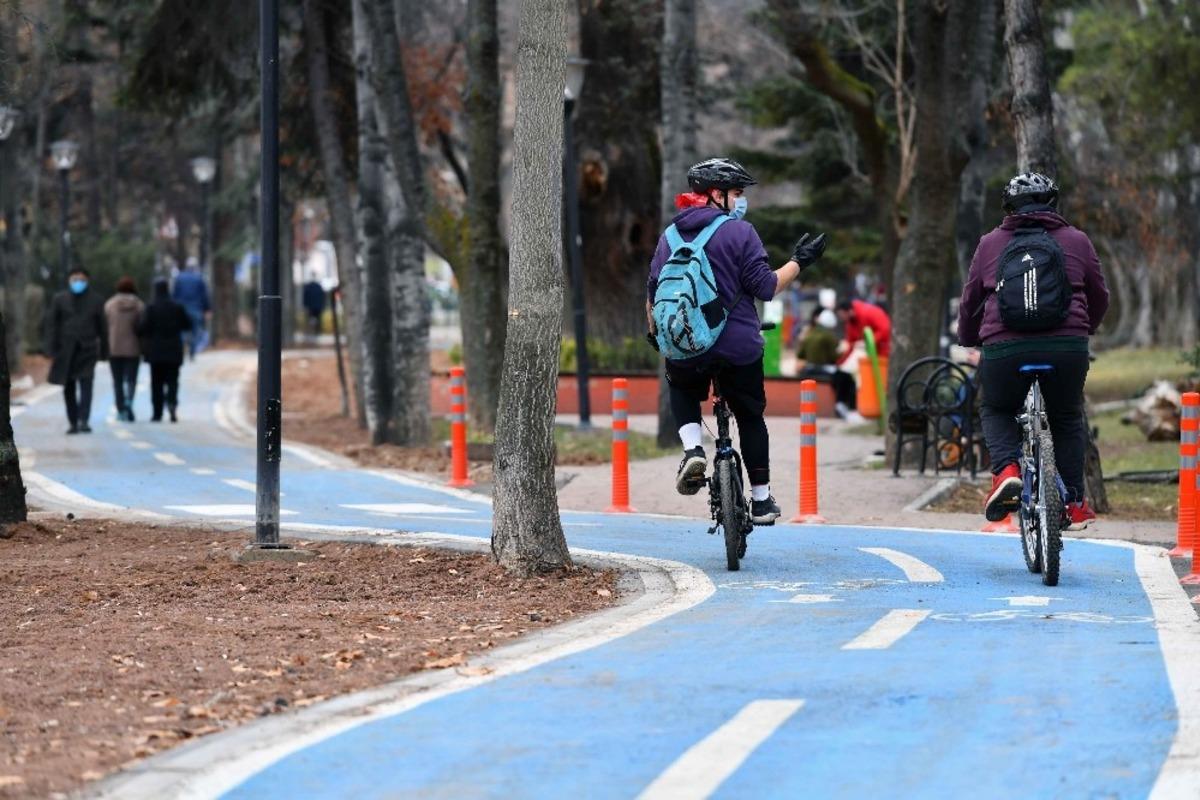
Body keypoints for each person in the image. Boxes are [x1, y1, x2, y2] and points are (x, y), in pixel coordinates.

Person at [647, 157, 827, 524]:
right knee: (750, 416)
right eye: (736, 193)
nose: (740, 201)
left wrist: (657, 335)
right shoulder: (741, 233)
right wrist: (800, 261)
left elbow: (653, 293)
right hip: (738, 346)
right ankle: (761, 500)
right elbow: (766, 287)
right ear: (716, 195)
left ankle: (693, 449)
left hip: (686, 346)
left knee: (681, 385)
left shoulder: (669, 236)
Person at [958, 172, 1109, 530]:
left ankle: (1007, 471)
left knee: (995, 407)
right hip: (1067, 347)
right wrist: (1085, 329)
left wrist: (969, 337)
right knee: (1068, 415)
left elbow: (970, 303)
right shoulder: (1078, 240)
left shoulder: (990, 243)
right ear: (1052, 203)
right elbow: (1100, 296)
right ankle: (1072, 501)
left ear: (1008, 208)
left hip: (1005, 348)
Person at [46, 267, 108, 434]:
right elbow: (53, 325)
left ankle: (83, 420)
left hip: (87, 349)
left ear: (87, 281)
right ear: (69, 280)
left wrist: (104, 352)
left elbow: (103, 327)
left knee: (86, 385)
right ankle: (73, 421)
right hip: (65, 350)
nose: (77, 283)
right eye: (74, 279)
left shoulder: (96, 300)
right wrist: (51, 349)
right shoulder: (60, 299)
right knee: (69, 387)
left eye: (81, 280)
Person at [138, 278, 193, 423]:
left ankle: (157, 413)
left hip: (155, 351)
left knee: (156, 382)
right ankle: (172, 403)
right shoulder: (177, 307)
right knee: (173, 380)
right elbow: (187, 324)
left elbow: (143, 328)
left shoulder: (151, 308)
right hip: (174, 349)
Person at [797, 307, 862, 423]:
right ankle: (844, 405)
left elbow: (801, 354)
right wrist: (842, 350)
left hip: (809, 369)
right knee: (847, 378)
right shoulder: (829, 336)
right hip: (824, 369)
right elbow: (834, 358)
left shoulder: (810, 334)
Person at [104, 276, 145, 422]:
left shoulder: (110, 305)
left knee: (117, 380)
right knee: (131, 379)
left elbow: (105, 325)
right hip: (133, 348)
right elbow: (143, 327)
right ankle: (129, 402)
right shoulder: (139, 306)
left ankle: (120, 407)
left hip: (114, 347)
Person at [834, 297, 891, 366]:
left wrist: (867, 342)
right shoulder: (850, 324)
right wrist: (839, 363)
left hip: (885, 352)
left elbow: (885, 329)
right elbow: (851, 344)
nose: (841, 318)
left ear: (849, 311)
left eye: (842, 315)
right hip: (873, 356)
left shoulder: (869, 312)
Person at [172, 261, 211, 359]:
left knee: (181, 330)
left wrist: (174, 307)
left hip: (181, 309)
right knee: (195, 330)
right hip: (196, 308)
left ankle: (182, 348)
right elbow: (204, 296)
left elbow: (174, 294)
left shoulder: (179, 278)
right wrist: (207, 309)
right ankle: (192, 351)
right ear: (195, 267)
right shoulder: (199, 278)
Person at [302, 273, 326, 341]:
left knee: (311, 319)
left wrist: (305, 305)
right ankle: (317, 331)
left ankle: (313, 331)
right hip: (317, 306)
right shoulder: (319, 286)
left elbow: (305, 297)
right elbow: (322, 297)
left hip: (311, 306)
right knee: (317, 319)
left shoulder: (308, 286)